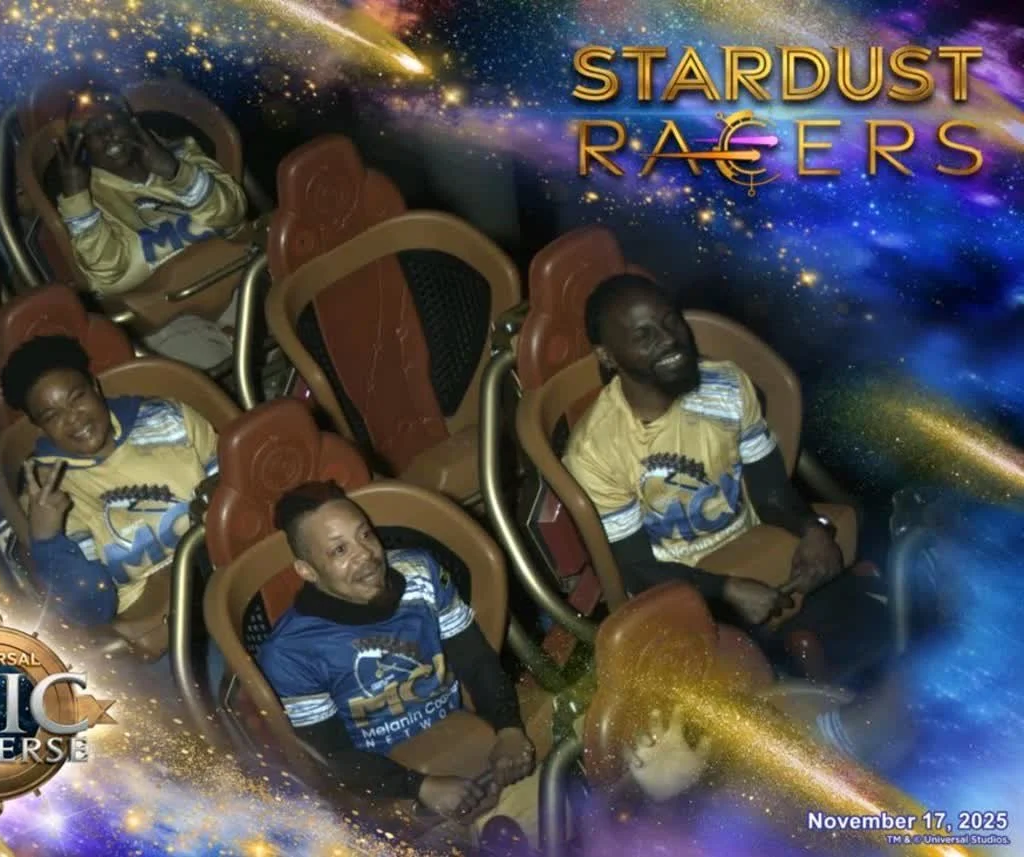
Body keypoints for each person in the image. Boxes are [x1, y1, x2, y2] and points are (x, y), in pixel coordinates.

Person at [257, 481, 711, 850]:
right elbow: (332, 758)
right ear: (307, 571)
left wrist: (508, 727)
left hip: (466, 736)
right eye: (338, 551)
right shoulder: (291, 651)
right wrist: (420, 787)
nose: (366, 556)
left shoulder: (418, 574)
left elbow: (475, 661)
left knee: (601, 734)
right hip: (389, 780)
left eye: (365, 535)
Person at [562, 274, 888, 665]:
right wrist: (727, 589)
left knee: (869, 630)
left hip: (752, 547)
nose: (669, 340)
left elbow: (770, 492)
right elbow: (636, 569)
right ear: (608, 357)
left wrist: (811, 529)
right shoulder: (594, 451)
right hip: (678, 586)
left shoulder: (726, 386)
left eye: (670, 321)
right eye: (644, 336)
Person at [2, 334, 219, 656]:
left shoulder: (166, 419)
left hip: (225, 562)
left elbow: (241, 488)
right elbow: (92, 606)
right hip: (162, 622)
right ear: (39, 426)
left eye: (77, 397)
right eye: (52, 415)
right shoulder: (48, 490)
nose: (73, 418)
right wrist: (48, 539)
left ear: (95, 386)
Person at [55, 87, 249, 296]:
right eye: (92, 131)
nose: (107, 135)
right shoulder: (84, 201)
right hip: (167, 307)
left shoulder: (181, 153)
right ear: (81, 146)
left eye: (113, 121)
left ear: (131, 122)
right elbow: (108, 274)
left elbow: (232, 213)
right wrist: (77, 200)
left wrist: (176, 173)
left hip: (241, 276)